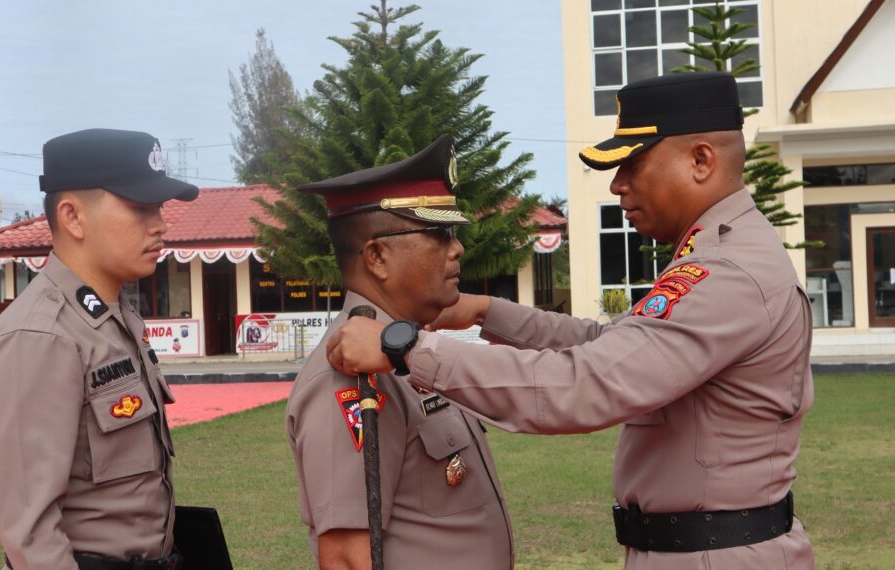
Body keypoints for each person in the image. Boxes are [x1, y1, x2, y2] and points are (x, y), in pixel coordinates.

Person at [326, 73, 816, 568]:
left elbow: (585, 384)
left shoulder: (725, 272)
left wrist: (404, 349)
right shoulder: (717, 255)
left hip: (718, 554)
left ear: (701, 160)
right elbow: (609, 342)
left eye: (633, 163)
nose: (617, 184)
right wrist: (485, 311)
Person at [0, 128, 197, 569]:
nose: (160, 223)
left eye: (160, 207)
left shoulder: (117, 318)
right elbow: (31, 537)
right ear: (73, 217)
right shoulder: (39, 337)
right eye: (139, 207)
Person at [286, 134, 514, 569]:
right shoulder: (350, 375)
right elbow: (348, 559)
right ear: (377, 257)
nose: (458, 248)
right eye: (439, 233)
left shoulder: (407, 350)